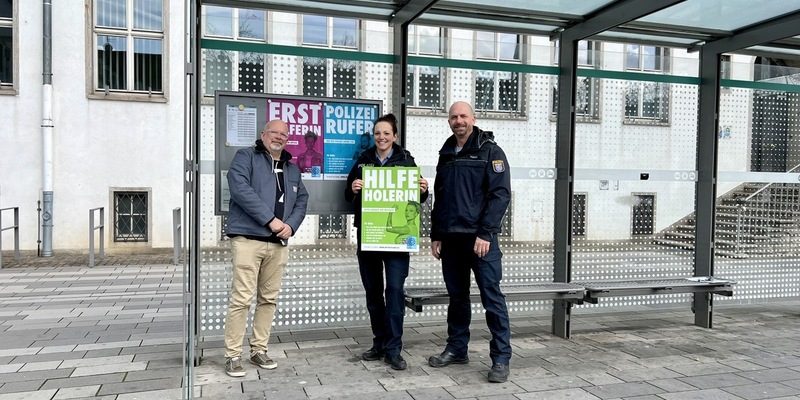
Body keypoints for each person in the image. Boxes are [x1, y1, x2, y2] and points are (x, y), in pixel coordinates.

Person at [428, 101, 512, 383]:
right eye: (454, 117)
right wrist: (436, 234)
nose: (458, 121)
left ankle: (500, 358)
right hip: (451, 240)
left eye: (463, 116)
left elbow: (500, 195)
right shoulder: (446, 152)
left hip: (480, 241)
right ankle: (457, 348)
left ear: (473, 119)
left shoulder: (491, 151)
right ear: (449, 121)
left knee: (492, 298)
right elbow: (441, 196)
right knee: (457, 299)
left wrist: (486, 233)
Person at [223, 119, 309, 378]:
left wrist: (290, 226)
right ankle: (232, 355)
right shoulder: (245, 157)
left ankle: (258, 349)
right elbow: (240, 189)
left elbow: (302, 200)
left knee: (268, 299)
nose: (279, 137)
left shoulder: (292, 169)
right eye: (274, 132)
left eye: (284, 134)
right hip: (248, 239)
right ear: (263, 134)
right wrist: (271, 221)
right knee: (241, 299)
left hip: (278, 244)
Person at [344, 113, 429, 371]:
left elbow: (417, 200)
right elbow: (348, 195)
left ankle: (394, 349)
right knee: (373, 292)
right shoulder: (363, 160)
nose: (381, 137)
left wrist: (424, 191)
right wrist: (354, 188)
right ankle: (379, 343)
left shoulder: (406, 160)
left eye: (386, 133)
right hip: (369, 235)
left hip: (396, 241)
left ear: (395, 136)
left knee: (393, 291)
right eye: (378, 133)